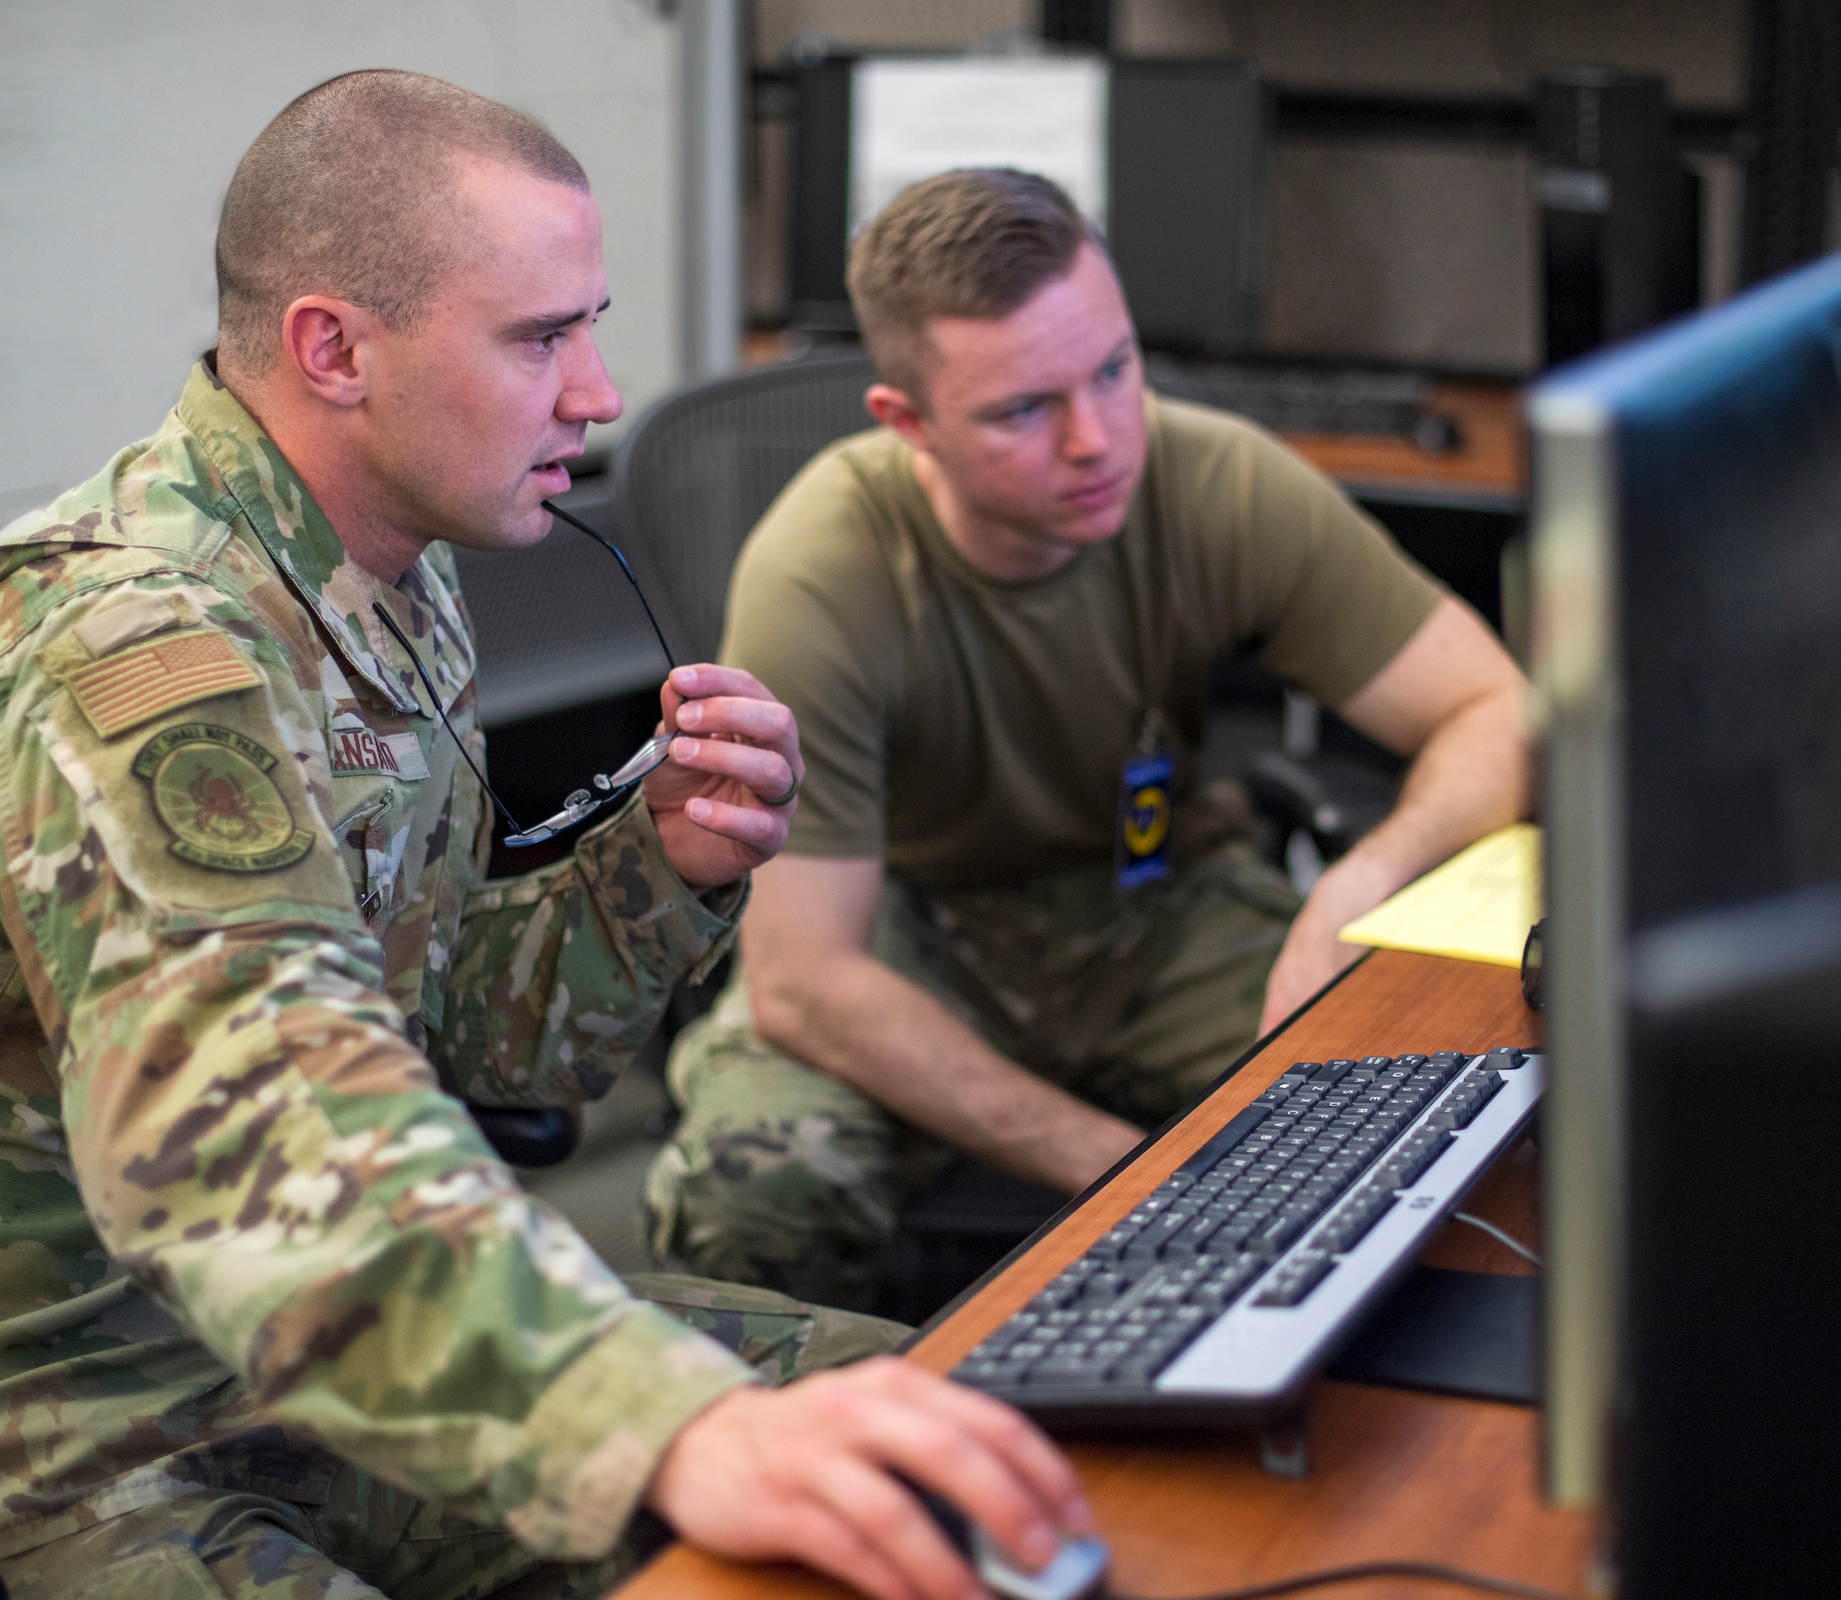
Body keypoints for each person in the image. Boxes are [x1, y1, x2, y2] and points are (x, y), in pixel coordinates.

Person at [0, 76, 1092, 1600]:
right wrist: (654, 1424)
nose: (602, 392)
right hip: (49, 1416)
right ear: (335, 349)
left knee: (963, 1444)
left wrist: (658, 869)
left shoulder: (389, 578)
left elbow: (460, 1041)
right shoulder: (121, 646)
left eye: (591, 325)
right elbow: (255, 1122)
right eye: (541, 337)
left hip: (321, 1346)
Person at [645, 168, 1530, 1310]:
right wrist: (1137, 1178)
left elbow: (1497, 711)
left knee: (1432, 1110)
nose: (1096, 441)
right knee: (749, 1193)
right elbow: (807, 983)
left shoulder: (1211, 479)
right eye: (1022, 410)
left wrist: (1353, 886)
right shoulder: (828, 562)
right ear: (907, 423)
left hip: (1153, 902)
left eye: (1113, 369)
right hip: (912, 927)